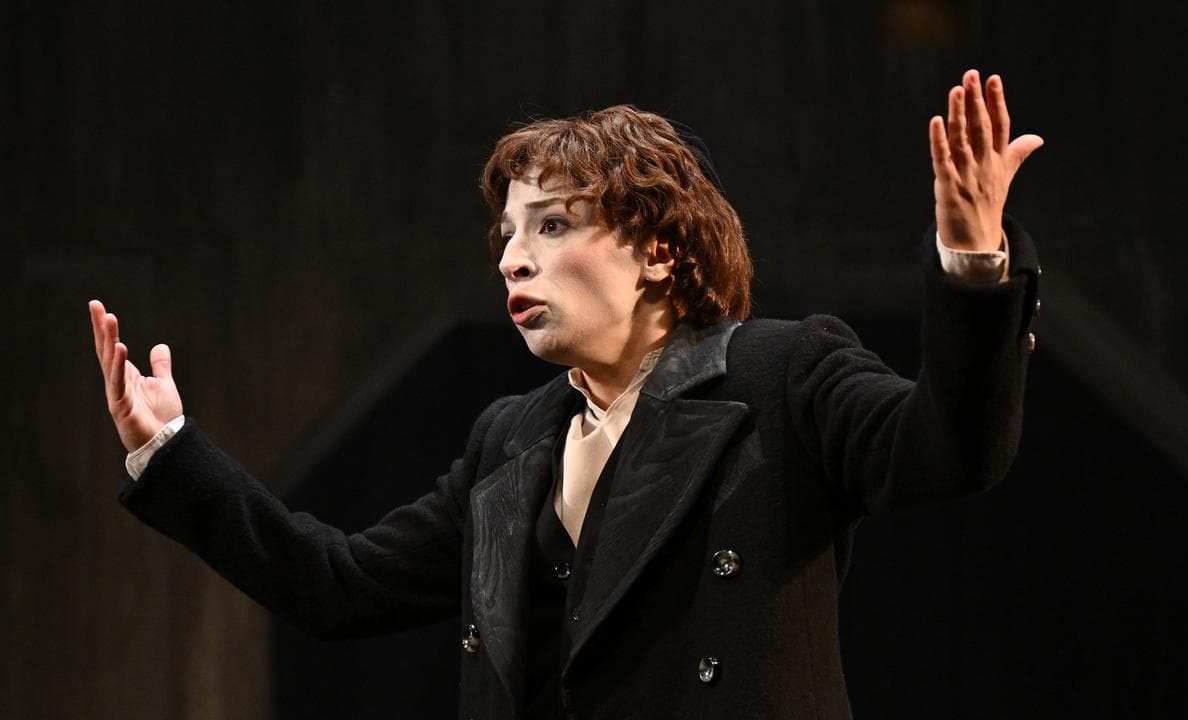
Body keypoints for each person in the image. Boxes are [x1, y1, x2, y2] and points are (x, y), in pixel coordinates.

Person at [89, 69, 1043, 719]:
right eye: (508, 233)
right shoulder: (513, 439)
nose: (514, 257)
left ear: (659, 250)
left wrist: (972, 264)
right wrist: (169, 451)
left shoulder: (780, 374)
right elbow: (336, 586)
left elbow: (949, 451)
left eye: (551, 225)